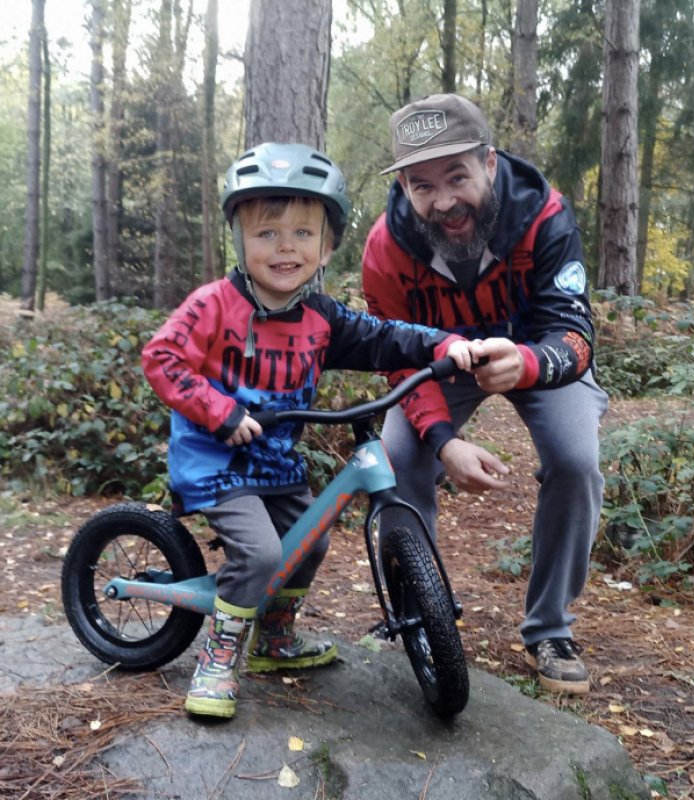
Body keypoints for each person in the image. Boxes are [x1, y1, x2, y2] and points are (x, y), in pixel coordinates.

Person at [141, 142, 488, 718]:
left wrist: (444, 343)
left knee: (312, 543)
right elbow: (162, 358)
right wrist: (219, 412)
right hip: (219, 462)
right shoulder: (213, 306)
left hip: (276, 465)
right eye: (267, 234)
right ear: (240, 240)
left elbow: (383, 337)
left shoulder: (322, 317)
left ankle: (275, 639)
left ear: (327, 245)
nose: (285, 248)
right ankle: (218, 659)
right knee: (258, 553)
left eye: (303, 234)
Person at [362, 94, 609, 695]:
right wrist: (444, 442)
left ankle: (549, 627)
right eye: (422, 185)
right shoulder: (385, 250)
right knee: (397, 459)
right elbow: (398, 362)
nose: (444, 201)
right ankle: (416, 609)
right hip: (442, 362)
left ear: (489, 163)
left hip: (536, 357)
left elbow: (576, 338)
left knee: (576, 460)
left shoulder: (544, 216)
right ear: (403, 188)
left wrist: (525, 363)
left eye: (456, 176)